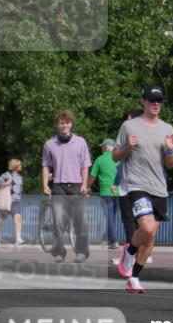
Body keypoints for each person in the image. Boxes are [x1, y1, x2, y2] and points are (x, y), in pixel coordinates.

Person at [113, 85, 173, 294]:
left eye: (159, 100)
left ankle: (134, 278)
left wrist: (170, 149)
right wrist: (127, 147)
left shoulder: (167, 129)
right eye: (151, 100)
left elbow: (171, 164)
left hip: (159, 188)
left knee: (151, 237)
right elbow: (115, 156)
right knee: (147, 228)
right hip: (137, 185)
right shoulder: (129, 126)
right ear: (143, 101)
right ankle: (129, 250)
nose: (156, 103)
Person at [41, 111, 92, 263]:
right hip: (58, 187)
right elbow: (45, 166)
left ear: (71, 124)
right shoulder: (49, 144)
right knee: (57, 222)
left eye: (67, 122)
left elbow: (85, 166)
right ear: (57, 125)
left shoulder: (80, 142)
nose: (65, 125)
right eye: (62, 123)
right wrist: (45, 184)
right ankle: (59, 252)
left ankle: (82, 252)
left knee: (81, 221)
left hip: (76, 187)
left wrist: (84, 185)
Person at [88, 140, 122, 250]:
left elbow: (92, 176)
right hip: (118, 192)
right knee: (112, 217)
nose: (101, 149)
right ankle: (106, 239)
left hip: (106, 192)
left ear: (107, 148)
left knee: (110, 217)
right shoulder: (119, 159)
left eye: (102, 147)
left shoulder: (100, 159)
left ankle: (115, 241)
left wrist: (87, 187)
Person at [0, 159, 25, 246]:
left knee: (17, 218)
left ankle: (18, 239)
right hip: (6, 200)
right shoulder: (6, 175)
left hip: (16, 201)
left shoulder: (20, 177)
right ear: (15, 166)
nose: (21, 166)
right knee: (0, 219)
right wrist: (5, 184)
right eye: (20, 165)